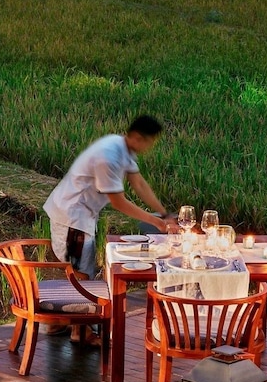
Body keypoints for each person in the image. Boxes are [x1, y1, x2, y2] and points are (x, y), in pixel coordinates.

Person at [43, 115, 175, 343]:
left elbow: (139, 183)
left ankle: (57, 324)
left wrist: (163, 213)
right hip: (72, 216)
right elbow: (118, 202)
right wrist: (157, 223)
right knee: (82, 272)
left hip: (81, 214)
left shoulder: (122, 147)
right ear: (136, 137)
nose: (149, 147)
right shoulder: (109, 157)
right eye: (149, 142)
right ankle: (81, 332)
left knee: (81, 268)